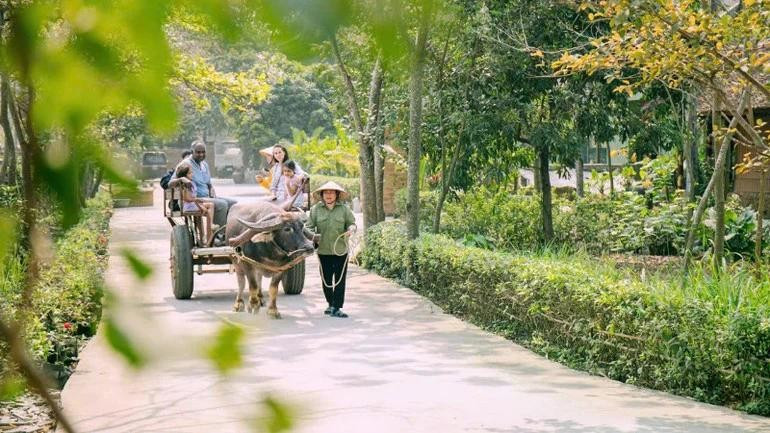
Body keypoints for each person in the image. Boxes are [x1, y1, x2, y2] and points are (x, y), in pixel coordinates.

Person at [305, 181, 356, 318]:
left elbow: (352, 224)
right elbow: (308, 227)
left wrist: (351, 230)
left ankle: (337, 307)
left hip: (340, 250)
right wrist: (312, 236)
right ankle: (330, 303)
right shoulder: (315, 210)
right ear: (322, 195)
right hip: (323, 251)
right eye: (326, 192)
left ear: (337, 195)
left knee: (340, 280)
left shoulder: (344, 209)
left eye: (332, 192)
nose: (329, 195)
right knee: (326, 280)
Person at [170, 140, 236, 227]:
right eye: (198, 152)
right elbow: (170, 183)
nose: (201, 154)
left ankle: (227, 230)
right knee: (222, 205)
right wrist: (182, 179)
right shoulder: (185, 163)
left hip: (207, 197)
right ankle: (219, 235)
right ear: (192, 152)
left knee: (233, 204)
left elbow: (208, 184)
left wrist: (212, 192)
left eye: (203, 152)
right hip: (195, 199)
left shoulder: (204, 165)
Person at [176, 164, 216, 246]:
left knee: (208, 209)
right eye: (190, 173)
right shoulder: (184, 184)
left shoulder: (190, 183)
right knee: (210, 206)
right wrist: (198, 201)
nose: (192, 174)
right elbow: (187, 198)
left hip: (191, 204)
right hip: (188, 206)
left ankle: (205, 236)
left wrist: (199, 203)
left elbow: (192, 198)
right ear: (184, 175)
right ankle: (210, 229)